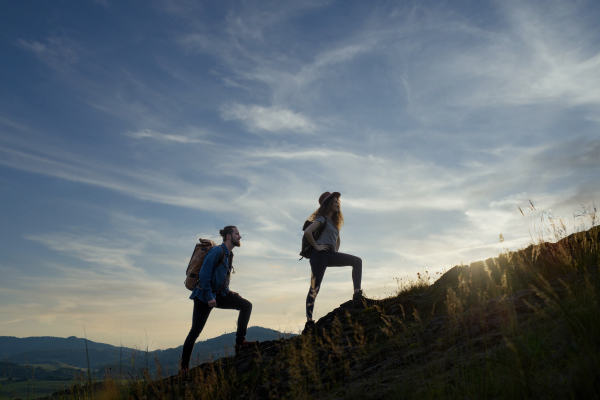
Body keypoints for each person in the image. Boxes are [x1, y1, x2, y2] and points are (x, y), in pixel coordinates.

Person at [180, 225, 255, 372]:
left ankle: (240, 343)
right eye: (237, 234)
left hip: (218, 295)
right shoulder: (217, 251)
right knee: (195, 331)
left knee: (246, 306)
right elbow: (204, 274)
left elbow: (222, 278)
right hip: (203, 296)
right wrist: (209, 296)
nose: (240, 237)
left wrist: (229, 292)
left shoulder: (229, 255)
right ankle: (184, 367)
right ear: (229, 236)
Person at [302, 192, 365, 335]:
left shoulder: (333, 223)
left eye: (338, 202)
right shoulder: (322, 219)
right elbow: (307, 232)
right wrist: (317, 247)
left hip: (329, 254)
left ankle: (357, 294)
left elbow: (337, 238)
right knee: (314, 288)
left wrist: (336, 250)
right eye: (335, 202)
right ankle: (309, 322)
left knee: (357, 261)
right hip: (319, 255)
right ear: (328, 204)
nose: (338, 204)